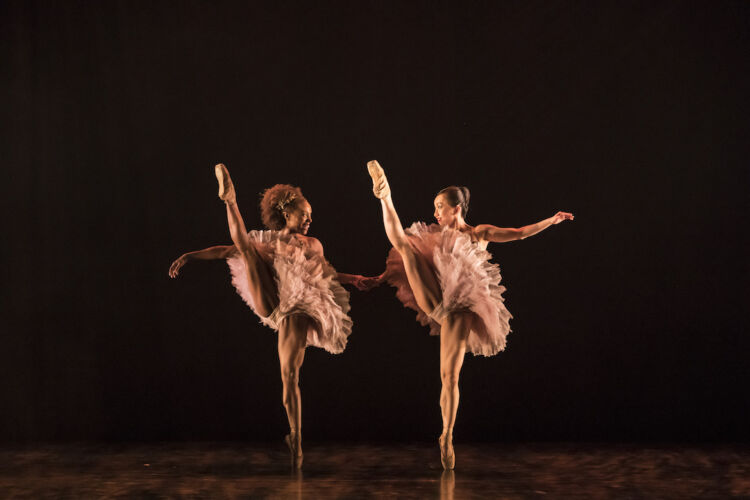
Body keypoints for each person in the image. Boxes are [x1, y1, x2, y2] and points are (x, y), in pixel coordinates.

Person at [367, 160, 573, 470]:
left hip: (462, 306)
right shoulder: (434, 236)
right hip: (436, 299)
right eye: (434, 207)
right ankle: (384, 194)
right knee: (405, 247)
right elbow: (412, 266)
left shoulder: (478, 233)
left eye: (440, 207)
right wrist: (381, 278)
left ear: (457, 208)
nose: (435, 212)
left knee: (449, 376)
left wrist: (550, 220)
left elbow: (518, 233)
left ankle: (446, 436)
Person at [169, 164, 377, 468]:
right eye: (304, 214)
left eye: (310, 216)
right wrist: (190, 256)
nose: (309, 219)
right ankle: (230, 200)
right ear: (286, 212)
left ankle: (296, 435)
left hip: (300, 305)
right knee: (246, 250)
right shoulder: (271, 241)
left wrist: (355, 278)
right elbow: (227, 250)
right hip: (274, 304)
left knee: (290, 376)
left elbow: (327, 275)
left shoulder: (313, 244)